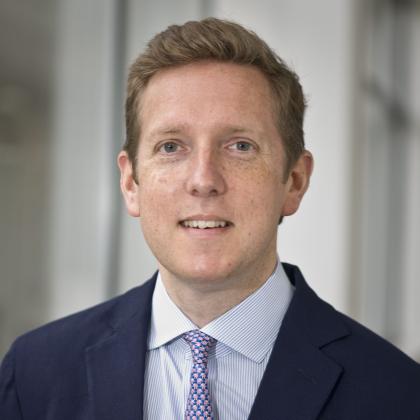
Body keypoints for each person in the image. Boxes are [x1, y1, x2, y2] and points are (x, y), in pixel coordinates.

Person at [1, 17, 420, 420]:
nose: (204, 180)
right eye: (171, 147)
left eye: (239, 146)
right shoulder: (35, 374)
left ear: (293, 181)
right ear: (131, 183)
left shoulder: (396, 393)